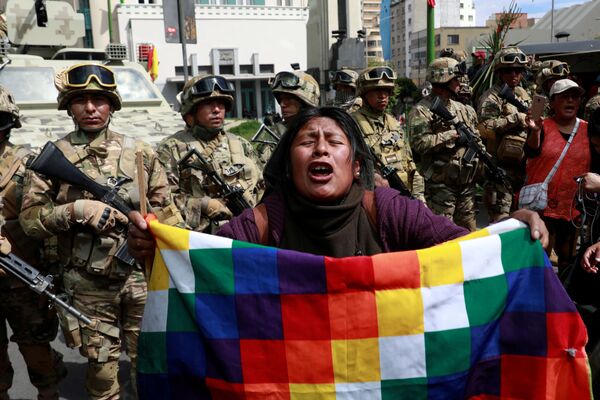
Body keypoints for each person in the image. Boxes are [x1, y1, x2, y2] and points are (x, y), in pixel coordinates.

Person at [128, 107, 548, 262]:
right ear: (288, 163)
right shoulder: (259, 224)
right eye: (307, 142)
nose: (320, 151)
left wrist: (510, 228)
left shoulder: (389, 209)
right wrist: (154, 251)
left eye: (334, 142)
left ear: (356, 163)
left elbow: (465, 247)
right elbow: (202, 269)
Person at [19, 63, 181, 400]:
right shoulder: (54, 158)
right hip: (87, 285)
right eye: (81, 100)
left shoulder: (141, 153)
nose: (91, 108)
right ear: (68, 106)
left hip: (141, 279)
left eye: (99, 100)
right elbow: (30, 221)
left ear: (112, 104)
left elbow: (169, 213)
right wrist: (76, 211)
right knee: (103, 375)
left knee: (151, 366)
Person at [0, 85, 66, 400]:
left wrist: (53, 270)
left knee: (34, 344)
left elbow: (46, 219)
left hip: (22, 274)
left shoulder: (27, 163)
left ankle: (48, 390)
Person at [156, 74, 263, 232]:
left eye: (221, 104)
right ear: (191, 111)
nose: (217, 110)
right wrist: (203, 205)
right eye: (208, 104)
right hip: (200, 239)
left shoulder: (241, 145)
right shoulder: (171, 148)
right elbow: (161, 201)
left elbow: (262, 189)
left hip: (245, 233)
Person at [409, 57, 483, 231]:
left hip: (465, 185)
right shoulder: (422, 110)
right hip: (440, 187)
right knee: (442, 234)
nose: (459, 83)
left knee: (469, 236)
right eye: (455, 79)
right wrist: (451, 135)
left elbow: (477, 138)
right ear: (444, 80)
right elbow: (419, 143)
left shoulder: (463, 109)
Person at [525, 79, 589, 274]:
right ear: (551, 103)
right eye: (564, 97)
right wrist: (535, 131)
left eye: (575, 96)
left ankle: (562, 301)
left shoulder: (588, 129)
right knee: (538, 260)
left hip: (573, 209)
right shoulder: (541, 126)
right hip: (542, 209)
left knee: (568, 262)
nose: (570, 101)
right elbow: (531, 151)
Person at [352, 66, 425, 202]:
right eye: (377, 91)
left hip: (404, 196)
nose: (383, 96)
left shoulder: (393, 122)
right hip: (373, 200)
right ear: (364, 93)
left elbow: (409, 163)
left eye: (386, 91)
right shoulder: (352, 123)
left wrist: (419, 198)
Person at [477, 46, 531, 222]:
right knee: (501, 222)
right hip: (500, 170)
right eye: (508, 71)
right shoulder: (491, 98)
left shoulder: (523, 94)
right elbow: (484, 128)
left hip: (522, 168)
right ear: (500, 73)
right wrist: (513, 119)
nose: (514, 75)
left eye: (518, 70)